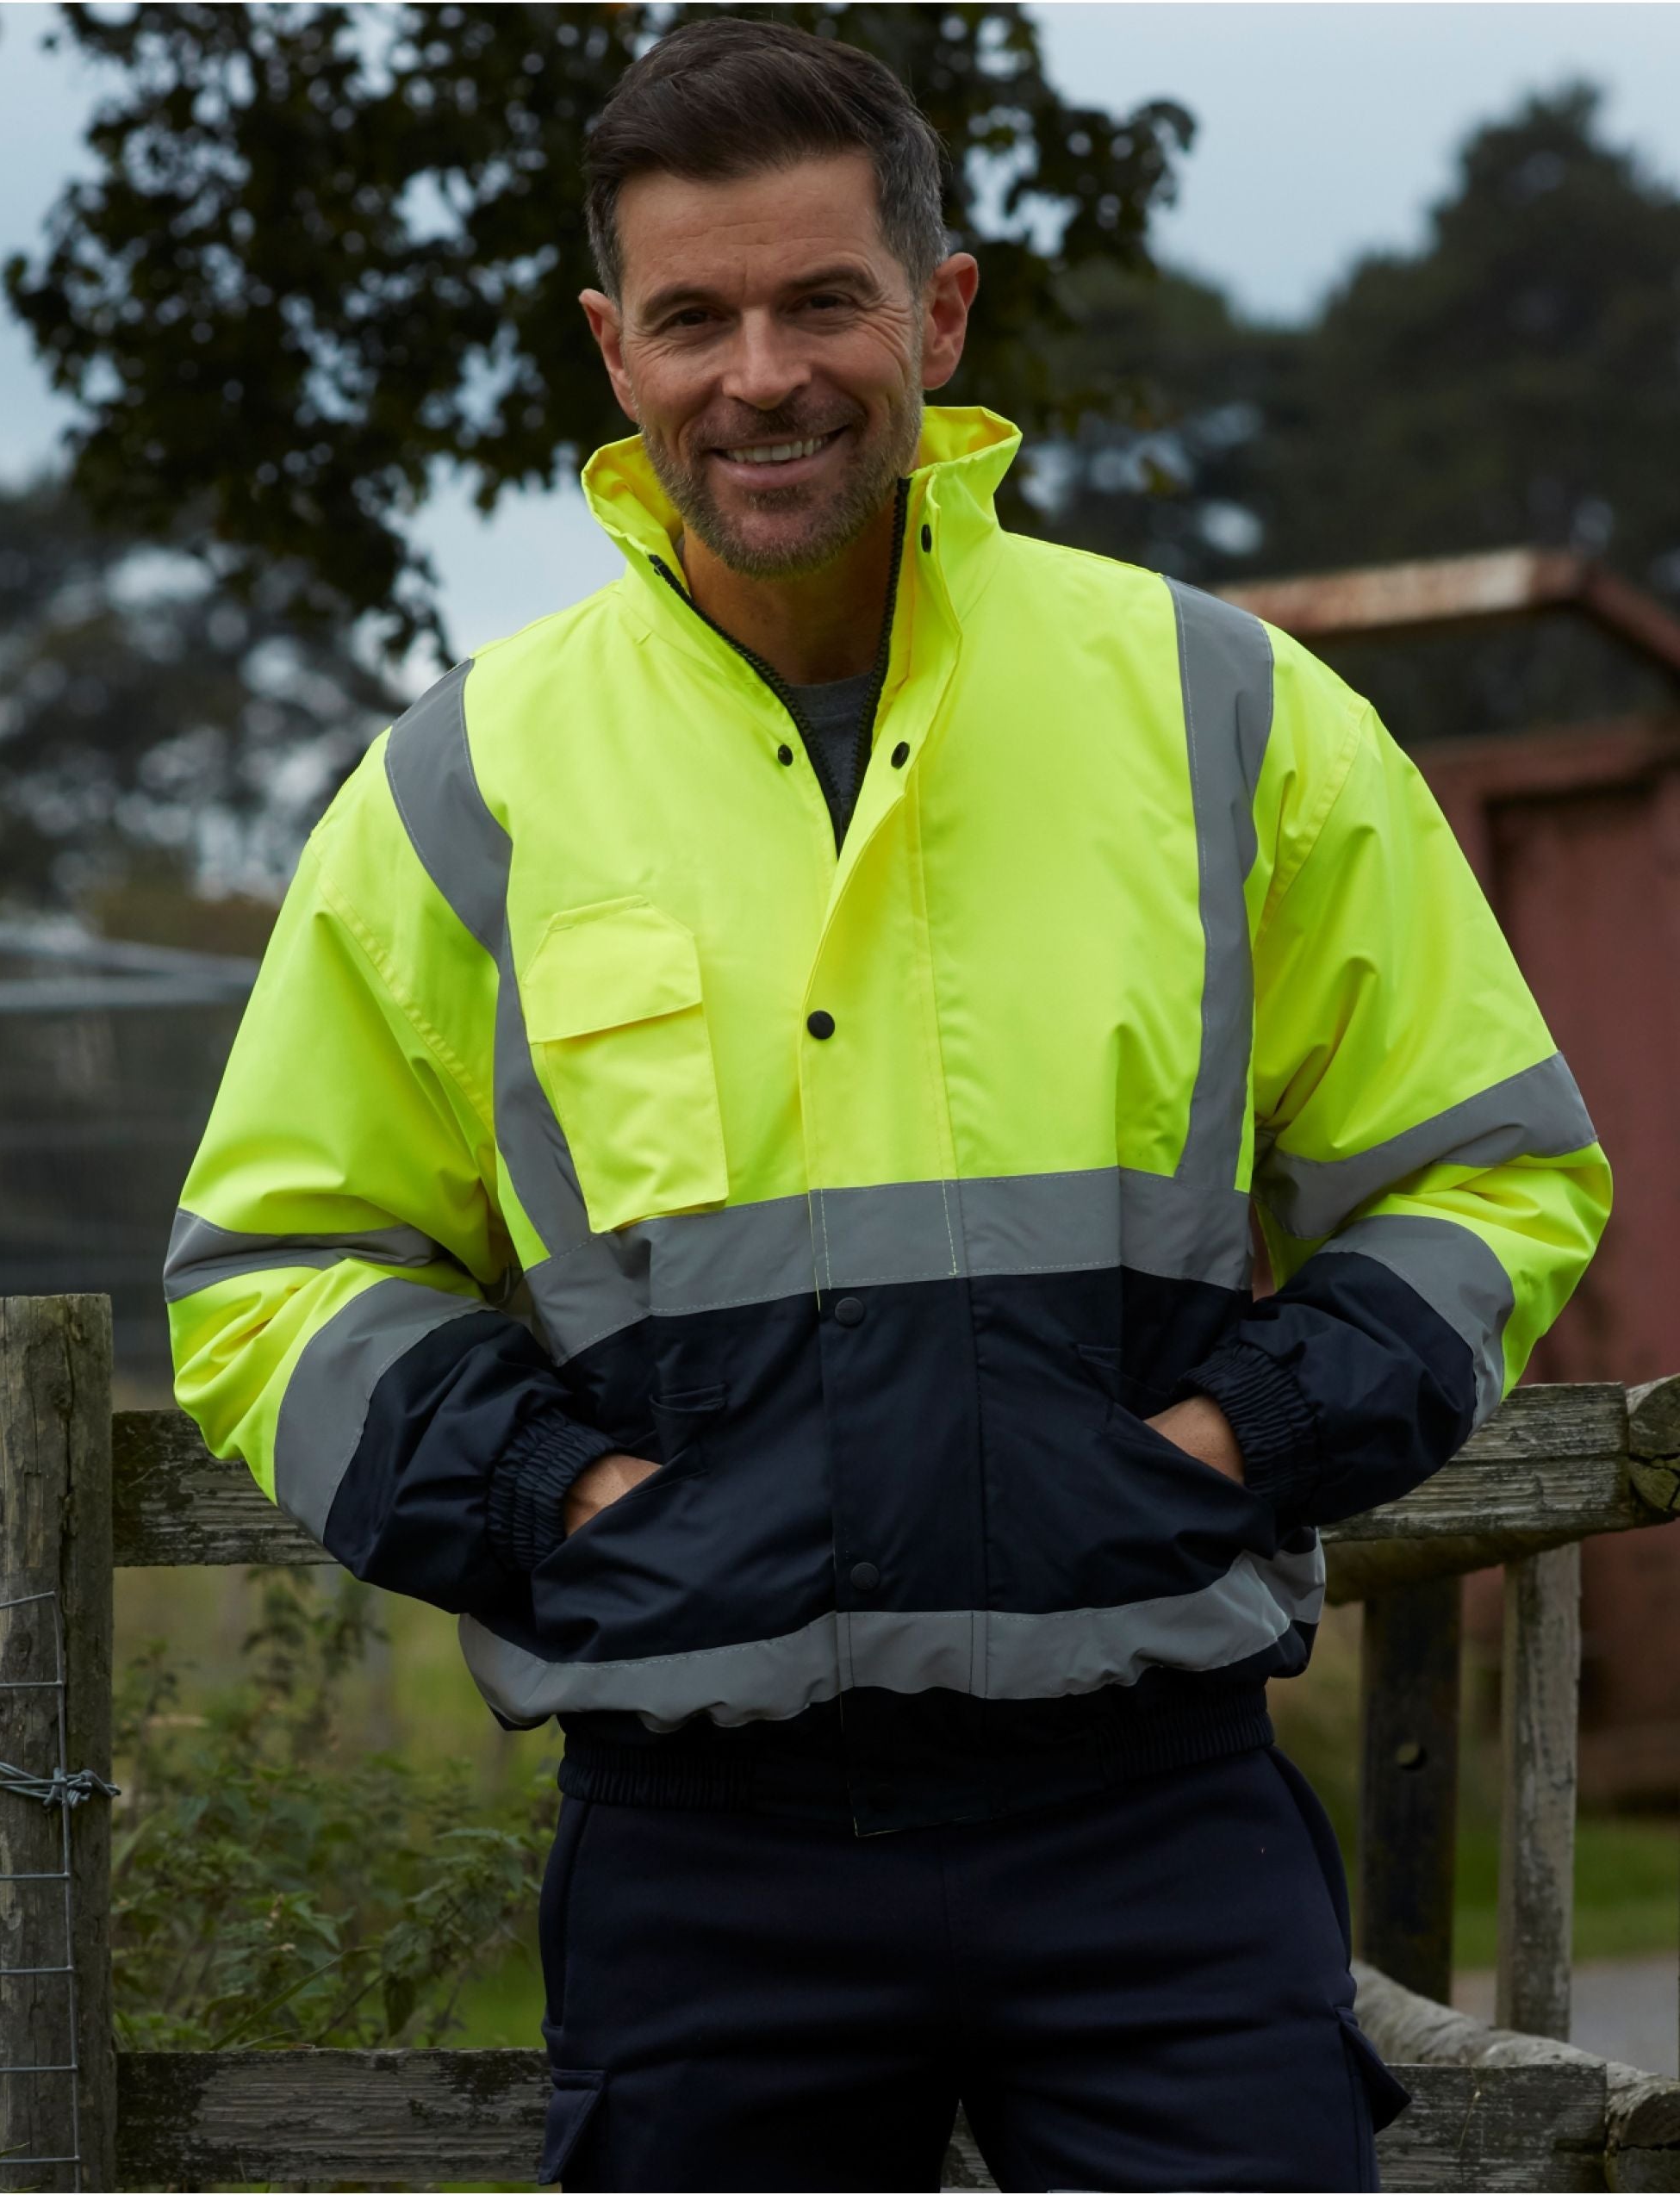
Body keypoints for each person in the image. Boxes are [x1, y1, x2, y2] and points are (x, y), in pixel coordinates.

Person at [165, 17, 1610, 2192]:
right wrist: (565, 1506)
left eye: (820, 298)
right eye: (694, 316)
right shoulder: (462, 786)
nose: (761, 372)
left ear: (936, 307)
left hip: (1154, 1817)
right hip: (702, 1844)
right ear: (611, 349)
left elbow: (1492, 1165)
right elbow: (272, 1270)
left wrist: (1235, 1442)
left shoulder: (1221, 715)